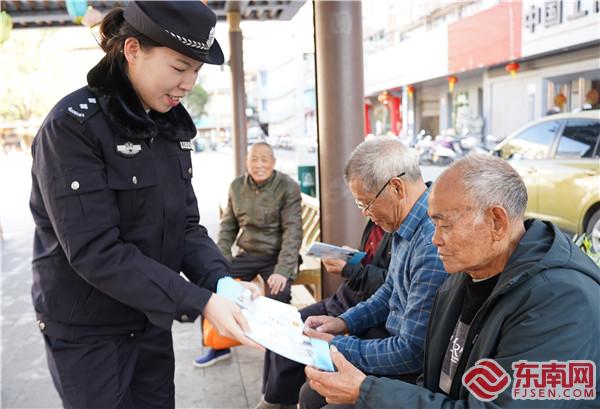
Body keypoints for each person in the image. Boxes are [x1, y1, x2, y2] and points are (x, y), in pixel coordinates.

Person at [29, 2, 259, 408]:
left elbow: (186, 225)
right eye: (179, 67)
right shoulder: (71, 127)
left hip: (149, 314)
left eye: (196, 71)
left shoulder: (167, 123)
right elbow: (95, 251)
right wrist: (201, 301)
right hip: (88, 331)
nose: (188, 84)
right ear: (133, 49)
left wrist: (221, 281)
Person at [305, 154, 600, 409]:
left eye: (445, 225)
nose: (435, 239)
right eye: (433, 223)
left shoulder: (560, 302)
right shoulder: (465, 272)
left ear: (496, 221)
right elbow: (433, 379)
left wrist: (366, 390)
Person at [299, 137, 448, 409]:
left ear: (396, 187)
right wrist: (343, 323)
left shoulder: (431, 241)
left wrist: (337, 346)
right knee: (311, 391)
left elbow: (412, 353)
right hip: (392, 343)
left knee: (316, 393)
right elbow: (388, 292)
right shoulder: (404, 223)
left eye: (365, 203)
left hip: (412, 373)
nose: (367, 214)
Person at [257, 219, 392, 409]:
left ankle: (275, 400)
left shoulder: (401, 229)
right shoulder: (375, 219)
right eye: (360, 202)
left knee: (299, 341)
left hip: (358, 308)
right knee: (284, 325)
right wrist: (353, 258)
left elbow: (386, 291)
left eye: (365, 202)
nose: (364, 210)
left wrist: (349, 269)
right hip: (343, 300)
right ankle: (272, 398)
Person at [194, 142, 303, 367]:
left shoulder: (287, 186)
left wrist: (283, 271)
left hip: (276, 256)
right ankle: (218, 346)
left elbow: (293, 232)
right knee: (211, 284)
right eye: (254, 159)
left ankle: (277, 355)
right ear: (247, 162)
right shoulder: (236, 186)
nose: (259, 164)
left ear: (273, 163)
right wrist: (219, 264)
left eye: (264, 159)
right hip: (248, 252)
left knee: (278, 292)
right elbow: (228, 228)